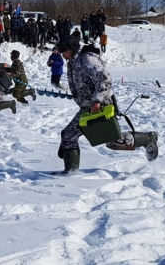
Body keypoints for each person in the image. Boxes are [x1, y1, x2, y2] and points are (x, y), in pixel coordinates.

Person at [54, 36, 158, 175]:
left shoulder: (87, 59)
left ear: (72, 48)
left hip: (102, 105)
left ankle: (148, 139)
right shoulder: (73, 61)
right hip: (87, 108)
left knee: (114, 142)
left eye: (64, 51)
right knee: (68, 135)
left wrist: (97, 100)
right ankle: (71, 173)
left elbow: (104, 79)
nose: (63, 55)